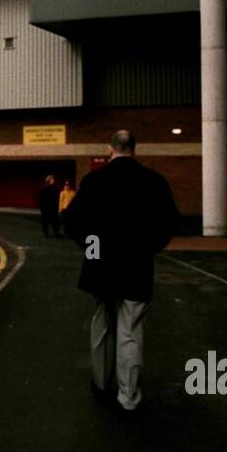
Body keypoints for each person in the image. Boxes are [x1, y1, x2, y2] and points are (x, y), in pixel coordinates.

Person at [63, 130, 180, 413]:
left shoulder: (94, 181)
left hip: (100, 264)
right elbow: (169, 222)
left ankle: (101, 384)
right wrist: (148, 248)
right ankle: (128, 395)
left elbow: (74, 222)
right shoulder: (153, 181)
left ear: (110, 149)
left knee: (102, 325)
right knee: (131, 330)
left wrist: (92, 250)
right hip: (136, 266)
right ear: (134, 149)